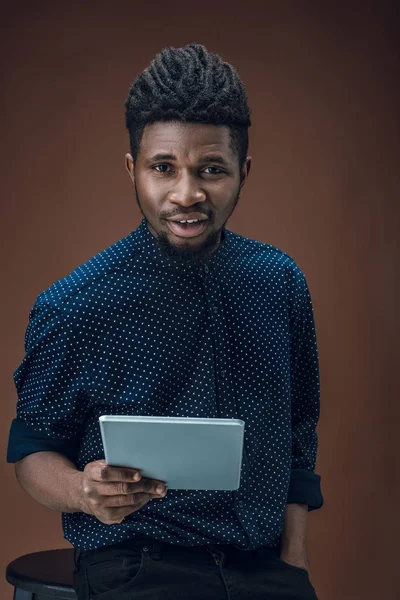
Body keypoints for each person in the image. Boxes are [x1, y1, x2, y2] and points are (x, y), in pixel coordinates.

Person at [7, 43, 323, 599]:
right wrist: (85, 492)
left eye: (211, 170)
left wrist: (294, 560)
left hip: (265, 567)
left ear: (243, 171)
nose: (187, 194)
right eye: (163, 168)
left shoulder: (280, 282)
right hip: (137, 563)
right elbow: (32, 451)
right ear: (133, 169)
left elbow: (299, 431)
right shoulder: (76, 302)